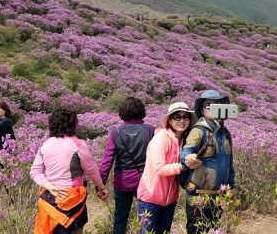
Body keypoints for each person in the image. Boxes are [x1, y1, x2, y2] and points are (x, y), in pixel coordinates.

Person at [30, 107, 109, 234]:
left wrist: (50, 186)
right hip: (73, 199)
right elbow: (91, 170)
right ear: (73, 123)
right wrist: (101, 187)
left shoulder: (46, 145)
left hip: (50, 198)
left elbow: (35, 172)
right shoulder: (78, 144)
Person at [137, 102, 198, 234]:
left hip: (169, 199)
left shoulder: (185, 141)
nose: (182, 120)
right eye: (177, 117)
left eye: (186, 117)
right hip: (151, 198)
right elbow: (159, 168)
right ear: (170, 120)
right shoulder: (161, 138)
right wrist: (183, 166)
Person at [181, 90, 235, 234]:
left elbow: (230, 164)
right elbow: (186, 151)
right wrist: (187, 158)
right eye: (208, 105)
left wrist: (232, 187)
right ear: (201, 109)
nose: (212, 109)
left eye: (216, 105)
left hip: (218, 197)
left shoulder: (226, 133)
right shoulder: (198, 131)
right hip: (199, 195)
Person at [99, 97, 156, 234]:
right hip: (145, 181)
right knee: (147, 217)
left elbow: (107, 161)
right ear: (142, 111)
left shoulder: (115, 133)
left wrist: (100, 185)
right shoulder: (151, 130)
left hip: (122, 182)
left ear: (122, 112)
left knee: (120, 217)